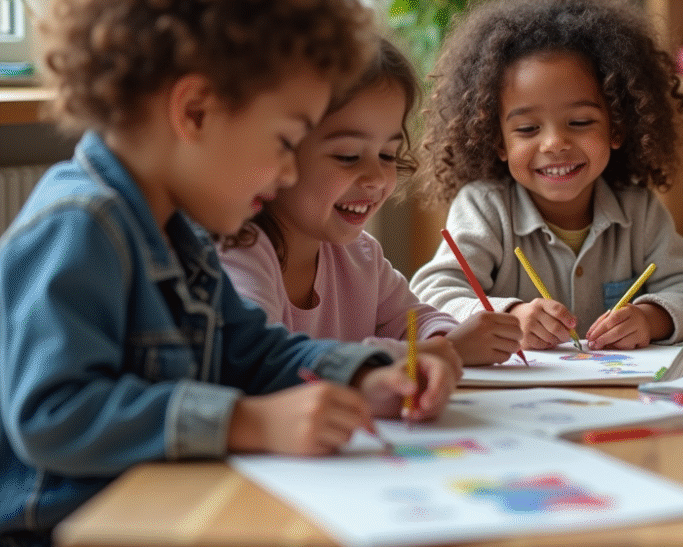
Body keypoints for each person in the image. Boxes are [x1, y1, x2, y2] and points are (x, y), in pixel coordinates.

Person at [0, 0, 457, 547]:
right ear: (197, 110)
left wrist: (366, 375)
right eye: (283, 140)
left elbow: (248, 349)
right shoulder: (81, 224)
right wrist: (245, 423)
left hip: (161, 520)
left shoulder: (178, 231)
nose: (281, 174)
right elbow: (55, 413)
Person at [410, 0, 683, 351]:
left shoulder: (639, 210)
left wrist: (649, 318)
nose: (555, 143)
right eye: (527, 129)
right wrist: (511, 316)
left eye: (580, 122)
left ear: (617, 128)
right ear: (498, 141)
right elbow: (433, 293)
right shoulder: (484, 208)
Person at [219, 39, 522, 367]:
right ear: (280, 152)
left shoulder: (360, 256)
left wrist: (442, 340)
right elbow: (265, 365)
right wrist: (443, 353)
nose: (376, 178)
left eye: (387, 155)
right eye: (348, 156)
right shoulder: (241, 252)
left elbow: (413, 319)